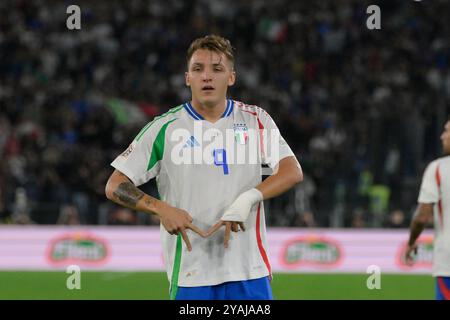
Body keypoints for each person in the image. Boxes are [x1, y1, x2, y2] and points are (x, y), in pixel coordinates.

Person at [105, 35, 303, 300]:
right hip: (191, 273)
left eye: (217, 69)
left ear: (231, 77)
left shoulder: (255, 119)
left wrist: (249, 197)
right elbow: (115, 184)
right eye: (198, 69)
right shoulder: (164, 128)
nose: (207, 76)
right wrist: (160, 208)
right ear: (188, 78)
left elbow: (292, 170)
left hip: (249, 270)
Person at [405, 120, 450, 300]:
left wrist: (411, 242)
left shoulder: (438, 169)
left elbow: (422, 216)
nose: (442, 136)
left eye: (447, 131)